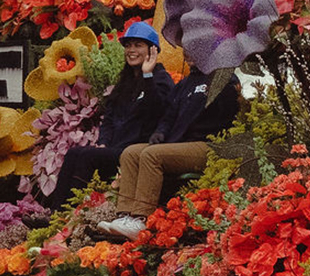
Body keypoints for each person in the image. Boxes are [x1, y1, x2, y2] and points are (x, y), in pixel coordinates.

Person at [102, 65, 241, 240]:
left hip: (209, 145)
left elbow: (229, 112)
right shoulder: (185, 84)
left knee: (152, 155)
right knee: (130, 152)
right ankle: (124, 216)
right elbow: (168, 115)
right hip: (179, 144)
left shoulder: (223, 77)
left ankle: (141, 218)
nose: (188, 51)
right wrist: (160, 132)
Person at [49, 22, 176, 208]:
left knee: (86, 157)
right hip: (114, 148)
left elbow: (158, 111)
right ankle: (54, 213)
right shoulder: (125, 81)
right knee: (74, 152)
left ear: (153, 50)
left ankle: (69, 213)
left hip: (137, 150)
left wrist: (148, 75)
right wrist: (103, 142)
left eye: (138, 45)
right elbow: (109, 118)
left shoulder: (161, 79)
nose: (131, 50)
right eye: (128, 45)